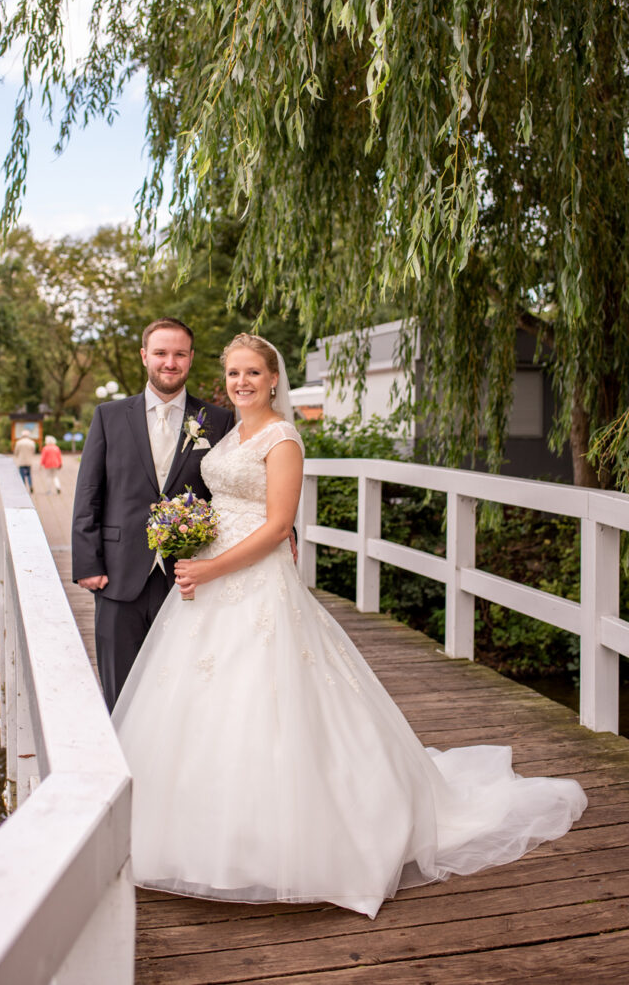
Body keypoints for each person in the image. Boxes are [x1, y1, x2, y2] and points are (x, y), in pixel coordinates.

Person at [112, 333, 587, 920]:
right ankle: (200, 836)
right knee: (193, 708)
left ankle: (294, 845)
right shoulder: (228, 433)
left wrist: (209, 566)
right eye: (233, 372)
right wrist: (190, 535)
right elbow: (223, 502)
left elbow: (276, 524)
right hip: (205, 583)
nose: (242, 382)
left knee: (268, 703)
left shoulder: (283, 439)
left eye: (253, 373)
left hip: (249, 580)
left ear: (273, 379)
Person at [72, 317, 235, 711]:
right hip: (117, 574)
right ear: (145, 356)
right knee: (120, 691)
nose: (170, 362)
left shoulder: (218, 420)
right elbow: (89, 492)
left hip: (188, 577)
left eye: (179, 354)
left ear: (191, 359)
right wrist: (87, 563)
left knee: (182, 690)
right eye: (161, 353)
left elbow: (234, 489)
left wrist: (288, 530)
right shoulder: (109, 417)